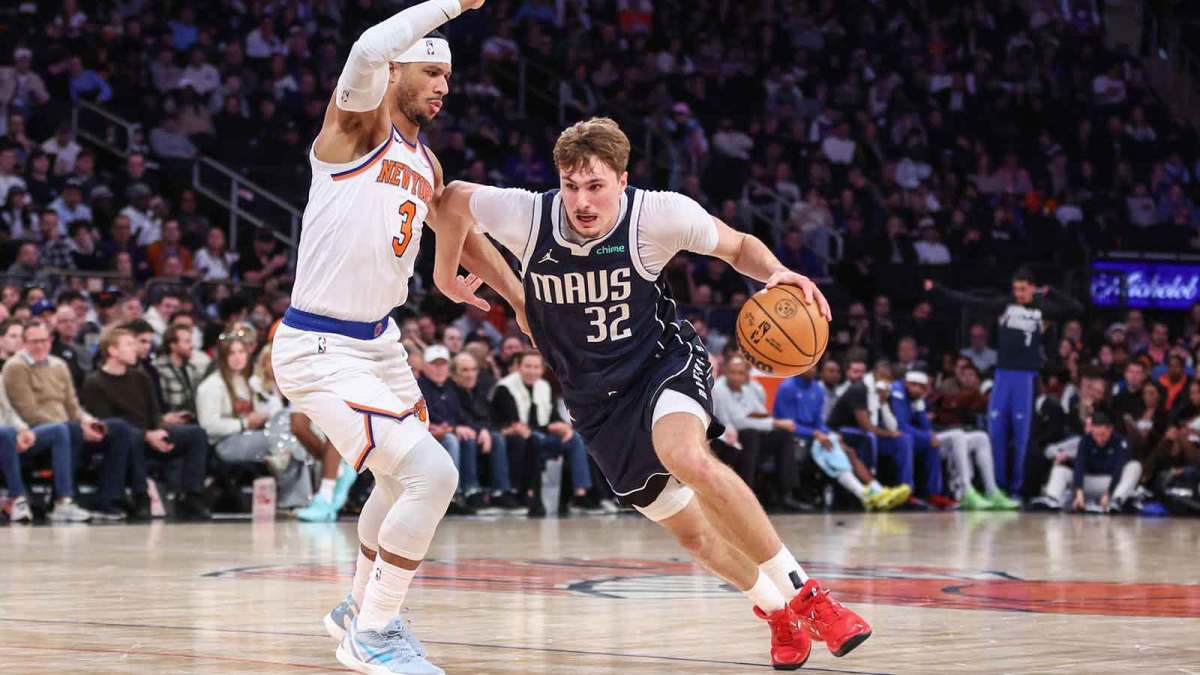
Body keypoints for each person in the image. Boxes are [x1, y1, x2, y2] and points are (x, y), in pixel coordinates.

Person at [438, 117, 869, 669]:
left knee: (684, 454)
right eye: (571, 186)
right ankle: (775, 610)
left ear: (623, 178)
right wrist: (470, 280)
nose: (582, 202)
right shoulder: (529, 215)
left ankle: (809, 596)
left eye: (595, 186)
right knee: (694, 537)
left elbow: (737, 246)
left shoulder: (659, 214)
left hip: (661, 362)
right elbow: (450, 202)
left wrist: (778, 271)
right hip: (593, 398)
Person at [267, 3, 522, 673]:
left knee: (397, 475)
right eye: (430, 70)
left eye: (449, 77)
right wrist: (453, 4)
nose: (442, 85)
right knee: (433, 473)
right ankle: (375, 633)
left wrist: (517, 299)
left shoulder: (426, 162)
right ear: (397, 70)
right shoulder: (355, 128)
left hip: (379, 344)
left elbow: (454, 228)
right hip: (319, 346)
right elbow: (366, 46)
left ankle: (358, 609)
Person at [925, 269, 1084, 499]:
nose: (1018, 294)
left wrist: (1051, 292)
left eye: (1023, 289)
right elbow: (971, 301)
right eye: (1016, 289)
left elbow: (1076, 308)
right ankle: (995, 487)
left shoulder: (1043, 308)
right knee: (995, 433)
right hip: (1002, 376)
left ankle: (1017, 490)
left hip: (1025, 378)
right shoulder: (1005, 305)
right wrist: (938, 290)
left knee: (1021, 438)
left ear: (1032, 287)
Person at [2, 319, 137, 519]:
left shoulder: (59, 365)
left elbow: (73, 406)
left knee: (119, 428)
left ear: (50, 341)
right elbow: (28, 412)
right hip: (39, 431)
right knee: (66, 430)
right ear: (24, 343)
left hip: (68, 426)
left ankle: (108, 500)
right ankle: (62, 501)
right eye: (33, 341)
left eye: (44, 340)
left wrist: (89, 422)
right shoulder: (15, 367)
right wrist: (74, 425)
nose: (40, 346)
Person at [79, 327, 211, 520]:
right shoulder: (94, 382)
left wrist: (158, 430)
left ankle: (192, 495)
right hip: (126, 441)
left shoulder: (140, 376)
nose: (136, 349)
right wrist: (147, 435)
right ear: (112, 351)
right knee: (131, 437)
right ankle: (141, 497)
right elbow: (108, 425)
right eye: (129, 344)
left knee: (196, 434)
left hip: (150, 433)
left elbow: (154, 412)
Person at [772, 364, 909, 511]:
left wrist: (830, 434)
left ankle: (878, 490)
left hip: (817, 435)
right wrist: (816, 434)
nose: (811, 370)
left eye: (813, 367)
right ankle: (865, 494)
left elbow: (819, 421)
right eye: (807, 367)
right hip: (793, 437)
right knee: (833, 451)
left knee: (848, 450)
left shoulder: (816, 390)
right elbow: (787, 424)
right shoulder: (787, 388)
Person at [490, 350, 601, 516]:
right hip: (521, 439)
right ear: (518, 367)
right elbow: (515, 424)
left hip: (542, 436)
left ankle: (580, 494)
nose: (532, 371)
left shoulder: (544, 386)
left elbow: (553, 418)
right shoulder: (505, 388)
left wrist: (563, 427)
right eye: (527, 366)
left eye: (536, 367)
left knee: (575, 439)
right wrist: (546, 428)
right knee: (533, 440)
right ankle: (531, 495)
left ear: (542, 370)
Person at [710, 355, 805, 511]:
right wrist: (774, 422)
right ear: (725, 372)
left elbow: (759, 412)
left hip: (747, 438)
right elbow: (738, 421)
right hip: (725, 440)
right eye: (733, 372)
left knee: (783, 435)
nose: (737, 377)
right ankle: (747, 495)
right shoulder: (719, 389)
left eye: (741, 373)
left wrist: (771, 422)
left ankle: (786, 494)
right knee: (751, 434)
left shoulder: (748, 388)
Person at [0, 362, 90, 523]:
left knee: (59, 430)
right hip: (4, 435)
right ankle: (16, 497)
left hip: (8, 436)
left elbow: (8, 412)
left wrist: (23, 431)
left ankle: (63, 501)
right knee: (5, 434)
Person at [1032, 411, 1143, 513]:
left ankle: (1116, 501)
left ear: (1110, 429)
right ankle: (1053, 498)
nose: (1099, 439)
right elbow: (1079, 467)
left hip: (1110, 483)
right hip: (1089, 482)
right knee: (1060, 470)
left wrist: (1109, 494)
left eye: (1103, 434)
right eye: (1095, 435)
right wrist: (1079, 493)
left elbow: (1118, 470)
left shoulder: (1120, 442)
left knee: (1135, 466)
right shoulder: (1085, 441)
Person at [451, 350, 519, 511]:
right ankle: (470, 490)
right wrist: (480, 429)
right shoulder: (451, 391)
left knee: (497, 437)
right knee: (469, 438)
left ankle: (499, 491)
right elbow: (459, 417)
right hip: (459, 433)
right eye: (465, 370)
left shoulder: (477, 390)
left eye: (473, 369)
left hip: (477, 432)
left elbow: (487, 417)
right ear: (453, 374)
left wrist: (484, 430)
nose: (470, 374)